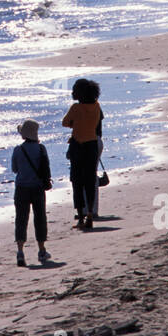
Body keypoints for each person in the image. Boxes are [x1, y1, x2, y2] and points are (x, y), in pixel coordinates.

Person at [62, 79, 102, 231]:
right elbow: (95, 123)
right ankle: (90, 213)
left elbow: (65, 122)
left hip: (78, 145)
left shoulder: (76, 108)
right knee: (90, 180)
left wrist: (75, 124)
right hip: (92, 145)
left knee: (77, 181)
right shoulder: (97, 106)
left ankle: (81, 217)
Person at [11, 119, 52, 266]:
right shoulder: (41, 149)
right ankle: (41, 251)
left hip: (22, 187)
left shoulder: (18, 149)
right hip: (37, 187)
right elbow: (46, 168)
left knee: (21, 219)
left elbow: (14, 169)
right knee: (40, 218)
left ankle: (20, 252)